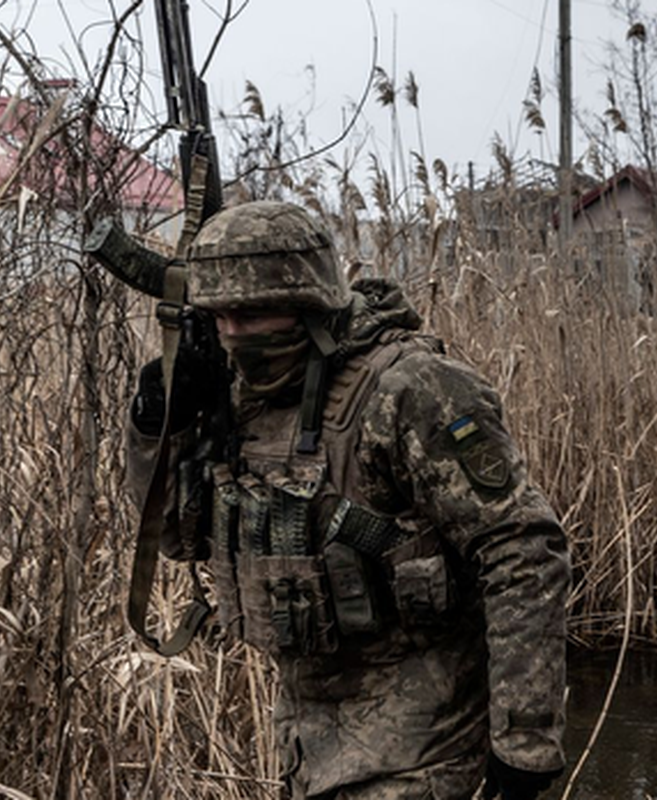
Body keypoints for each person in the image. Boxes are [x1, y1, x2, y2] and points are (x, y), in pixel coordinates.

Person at [126, 201, 570, 800]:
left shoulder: (412, 389)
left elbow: (522, 550)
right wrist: (160, 424)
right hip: (306, 748)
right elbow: (180, 539)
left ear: (307, 303)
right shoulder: (243, 398)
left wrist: (524, 739)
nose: (231, 334)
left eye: (250, 314)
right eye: (219, 315)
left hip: (425, 753)